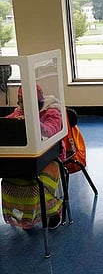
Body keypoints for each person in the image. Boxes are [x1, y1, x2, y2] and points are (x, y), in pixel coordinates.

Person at [2, 84, 65, 230]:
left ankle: (53, 213)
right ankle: (28, 213)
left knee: (38, 183)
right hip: (26, 159)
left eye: (24, 102)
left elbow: (51, 131)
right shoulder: (19, 112)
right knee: (10, 179)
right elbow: (7, 123)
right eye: (20, 102)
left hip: (50, 157)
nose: (21, 106)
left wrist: (33, 122)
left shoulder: (52, 111)